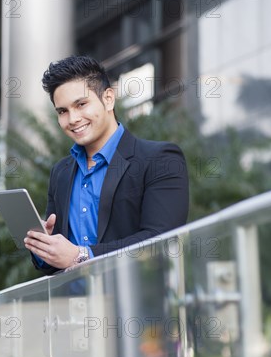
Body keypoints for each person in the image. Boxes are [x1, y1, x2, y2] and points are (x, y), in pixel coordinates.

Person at [24, 55, 189, 275]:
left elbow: (160, 240)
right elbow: (57, 264)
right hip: (76, 304)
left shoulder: (160, 159)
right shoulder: (61, 173)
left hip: (140, 303)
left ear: (108, 99)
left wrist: (80, 255)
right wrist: (44, 249)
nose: (72, 119)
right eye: (62, 111)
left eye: (81, 104)